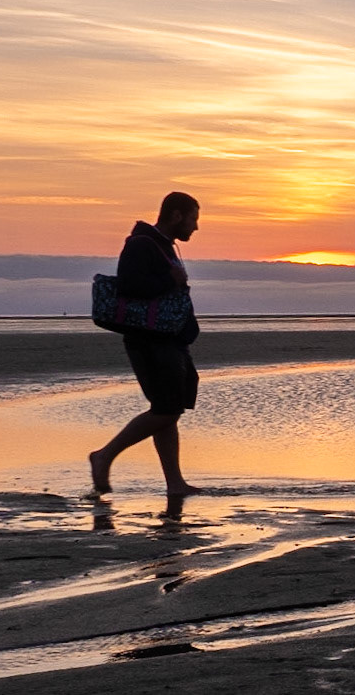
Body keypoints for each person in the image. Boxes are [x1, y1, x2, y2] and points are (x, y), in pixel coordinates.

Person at [89, 192, 203, 500]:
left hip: (169, 340)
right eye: (193, 218)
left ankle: (175, 483)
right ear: (176, 215)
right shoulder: (141, 244)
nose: (195, 227)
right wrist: (171, 280)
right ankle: (104, 456)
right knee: (167, 410)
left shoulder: (162, 245)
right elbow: (129, 286)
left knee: (168, 409)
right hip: (150, 341)